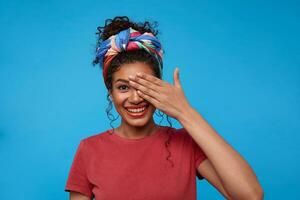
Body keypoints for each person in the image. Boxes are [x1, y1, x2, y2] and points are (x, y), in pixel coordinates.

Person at [64, 16, 264, 200]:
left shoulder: (186, 143)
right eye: (123, 87)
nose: (135, 98)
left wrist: (185, 112)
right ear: (111, 92)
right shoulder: (89, 150)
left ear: (159, 86)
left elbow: (251, 196)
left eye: (145, 85)